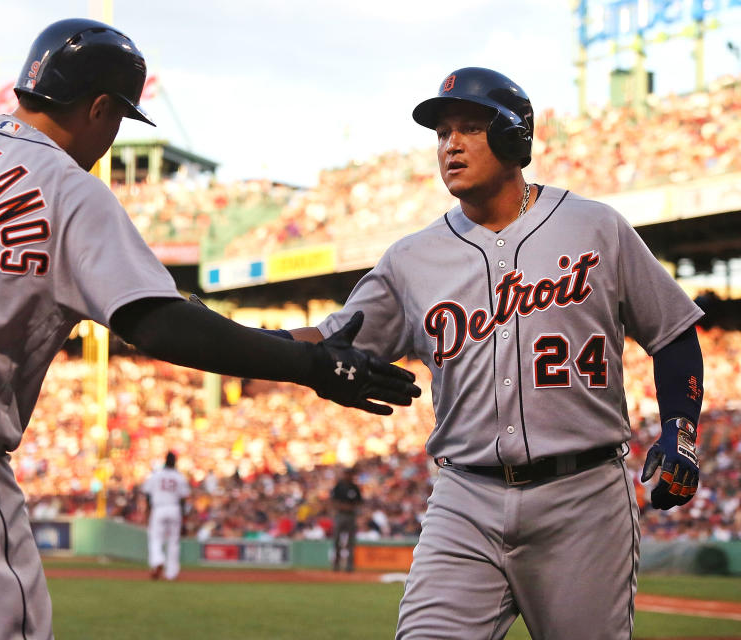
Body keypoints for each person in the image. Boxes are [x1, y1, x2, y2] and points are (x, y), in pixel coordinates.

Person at [0, 19, 421, 640]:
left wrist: (282, 342)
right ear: (99, 108)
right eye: (117, 117)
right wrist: (307, 367)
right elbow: (158, 322)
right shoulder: (67, 187)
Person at [287, 67, 704, 639]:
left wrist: (681, 432)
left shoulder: (595, 226)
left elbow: (673, 329)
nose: (449, 144)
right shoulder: (412, 259)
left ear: (514, 138)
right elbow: (332, 339)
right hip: (465, 497)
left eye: (469, 128)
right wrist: (241, 340)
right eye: (441, 133)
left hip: (582, 498)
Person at [142, 451, 190, 581]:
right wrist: (184, 517)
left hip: (159, 509)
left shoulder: (156, 475)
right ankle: (171, 573)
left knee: (156, 539)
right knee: (174, 542)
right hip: (174, 508)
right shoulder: (180, 477)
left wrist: (147, 512)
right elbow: (183, 499)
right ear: (175, 462)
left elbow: (147, 495)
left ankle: (158, 561)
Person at [330, 466, 363, 572]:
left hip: (351, 515)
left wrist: (351, 508)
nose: (348, 476)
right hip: (341, 515)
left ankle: (349, 566)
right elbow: (333, 501)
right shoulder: (339, 486)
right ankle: (336, 565)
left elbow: (359, 502)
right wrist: (343, 507)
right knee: (337, 540)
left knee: (351, 542)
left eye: (349, 474)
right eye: (346, 474)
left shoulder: (354, 487)